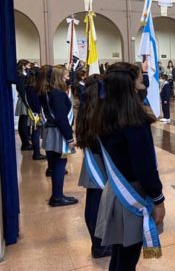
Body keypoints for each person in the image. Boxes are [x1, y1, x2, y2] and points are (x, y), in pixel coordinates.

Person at [94, 62, 165, 271]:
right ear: (129, 86)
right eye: (138, 79)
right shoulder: (133, 121)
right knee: (127, 258)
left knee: (120, 254)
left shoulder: (106, 113)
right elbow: (145, 167)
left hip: (116, 190)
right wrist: (158, 198)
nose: (141, 82)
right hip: (133, 194)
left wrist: (141, 71)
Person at [75, 75, 112, 259]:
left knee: (93, 201)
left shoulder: (84, 107)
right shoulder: (101, 110)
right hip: (101, 161)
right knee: (97, 203)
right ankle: (99, 245)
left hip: (91, 158)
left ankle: (97, 242)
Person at [39, 65, 78, 207]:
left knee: (55, 165)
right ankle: (57, 196)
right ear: (59, 77)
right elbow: (61, 118)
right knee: (60, 164)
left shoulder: (47, 92)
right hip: (59, 133)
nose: (68, 78)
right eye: (66, 75)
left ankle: (56, 195)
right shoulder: (58, 94)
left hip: (50, 131)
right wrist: (70, 138)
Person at [24, 67, 46, 161]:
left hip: (32, 112)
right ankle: (36, 153)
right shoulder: (34, 88)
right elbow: (36, 103)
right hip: (36, 113)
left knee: (35, 132)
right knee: (36, 133)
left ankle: (36, 152)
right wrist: (39, 113)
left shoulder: (28, 86)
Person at [15, 59, 32, 151]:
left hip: (26, 99)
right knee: (23, 122)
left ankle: (26, 142)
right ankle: (25, 144)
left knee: (25, 122)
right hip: (24, 100)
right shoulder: (20, 76)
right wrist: (27, 101)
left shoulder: (25, 74)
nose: (30, 67)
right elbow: (21, 89)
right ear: (23, 66)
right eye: (28, 66)